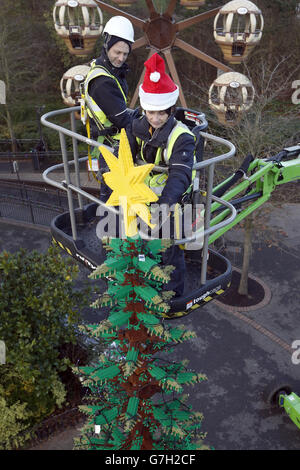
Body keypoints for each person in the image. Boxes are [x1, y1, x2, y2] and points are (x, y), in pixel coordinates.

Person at [125, 53, 196, 297]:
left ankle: (173, 293)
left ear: (171, 110)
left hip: (169, 202)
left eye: (161, 114)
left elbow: (180, 176)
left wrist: (164, 206)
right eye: (150, 113)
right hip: (141, 197)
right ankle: (146, 281)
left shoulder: (182, 137)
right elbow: (122, 154)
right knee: (142, 241)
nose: (155, 119)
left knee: (169, 249)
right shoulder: (137, 125)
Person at [83, 15, 136, 147]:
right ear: (107, 46)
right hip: (109, 147)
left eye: (125, 54)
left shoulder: (107, 70)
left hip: (111, 143)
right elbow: (123, 120)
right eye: (117, 52)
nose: (121, 58)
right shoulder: (102, 81)